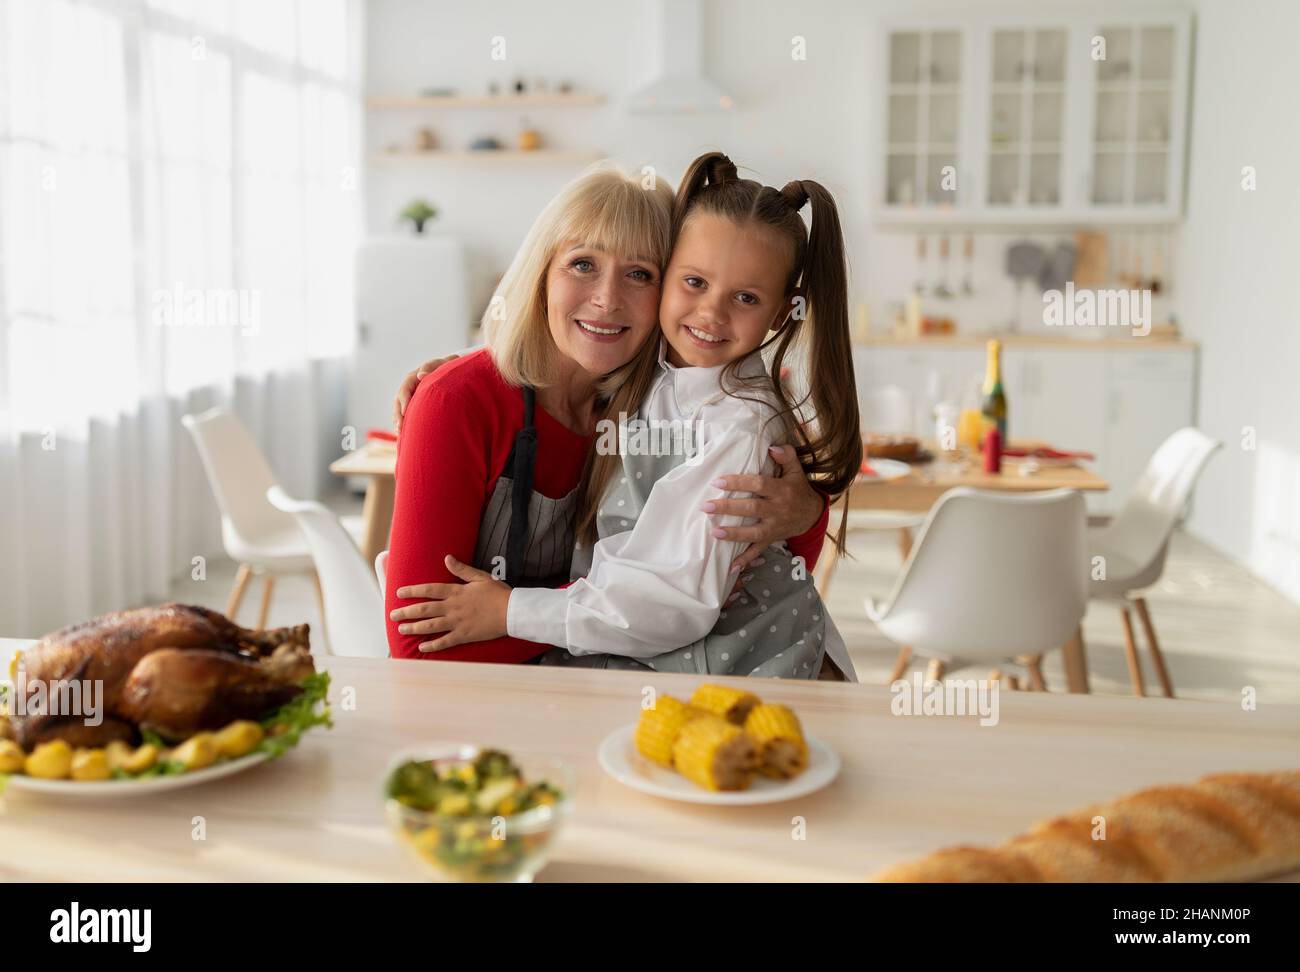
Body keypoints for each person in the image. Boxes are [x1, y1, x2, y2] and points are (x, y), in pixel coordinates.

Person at [394, 153, 860, 679]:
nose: (607, 299)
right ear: (540, 271)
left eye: (639, 273)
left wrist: (804, 512)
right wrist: (453, 382)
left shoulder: (665, 390)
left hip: (719, 674)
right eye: (582, 264)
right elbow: (418, 649)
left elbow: (693, 588)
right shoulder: (463, 399)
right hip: (584, 671)